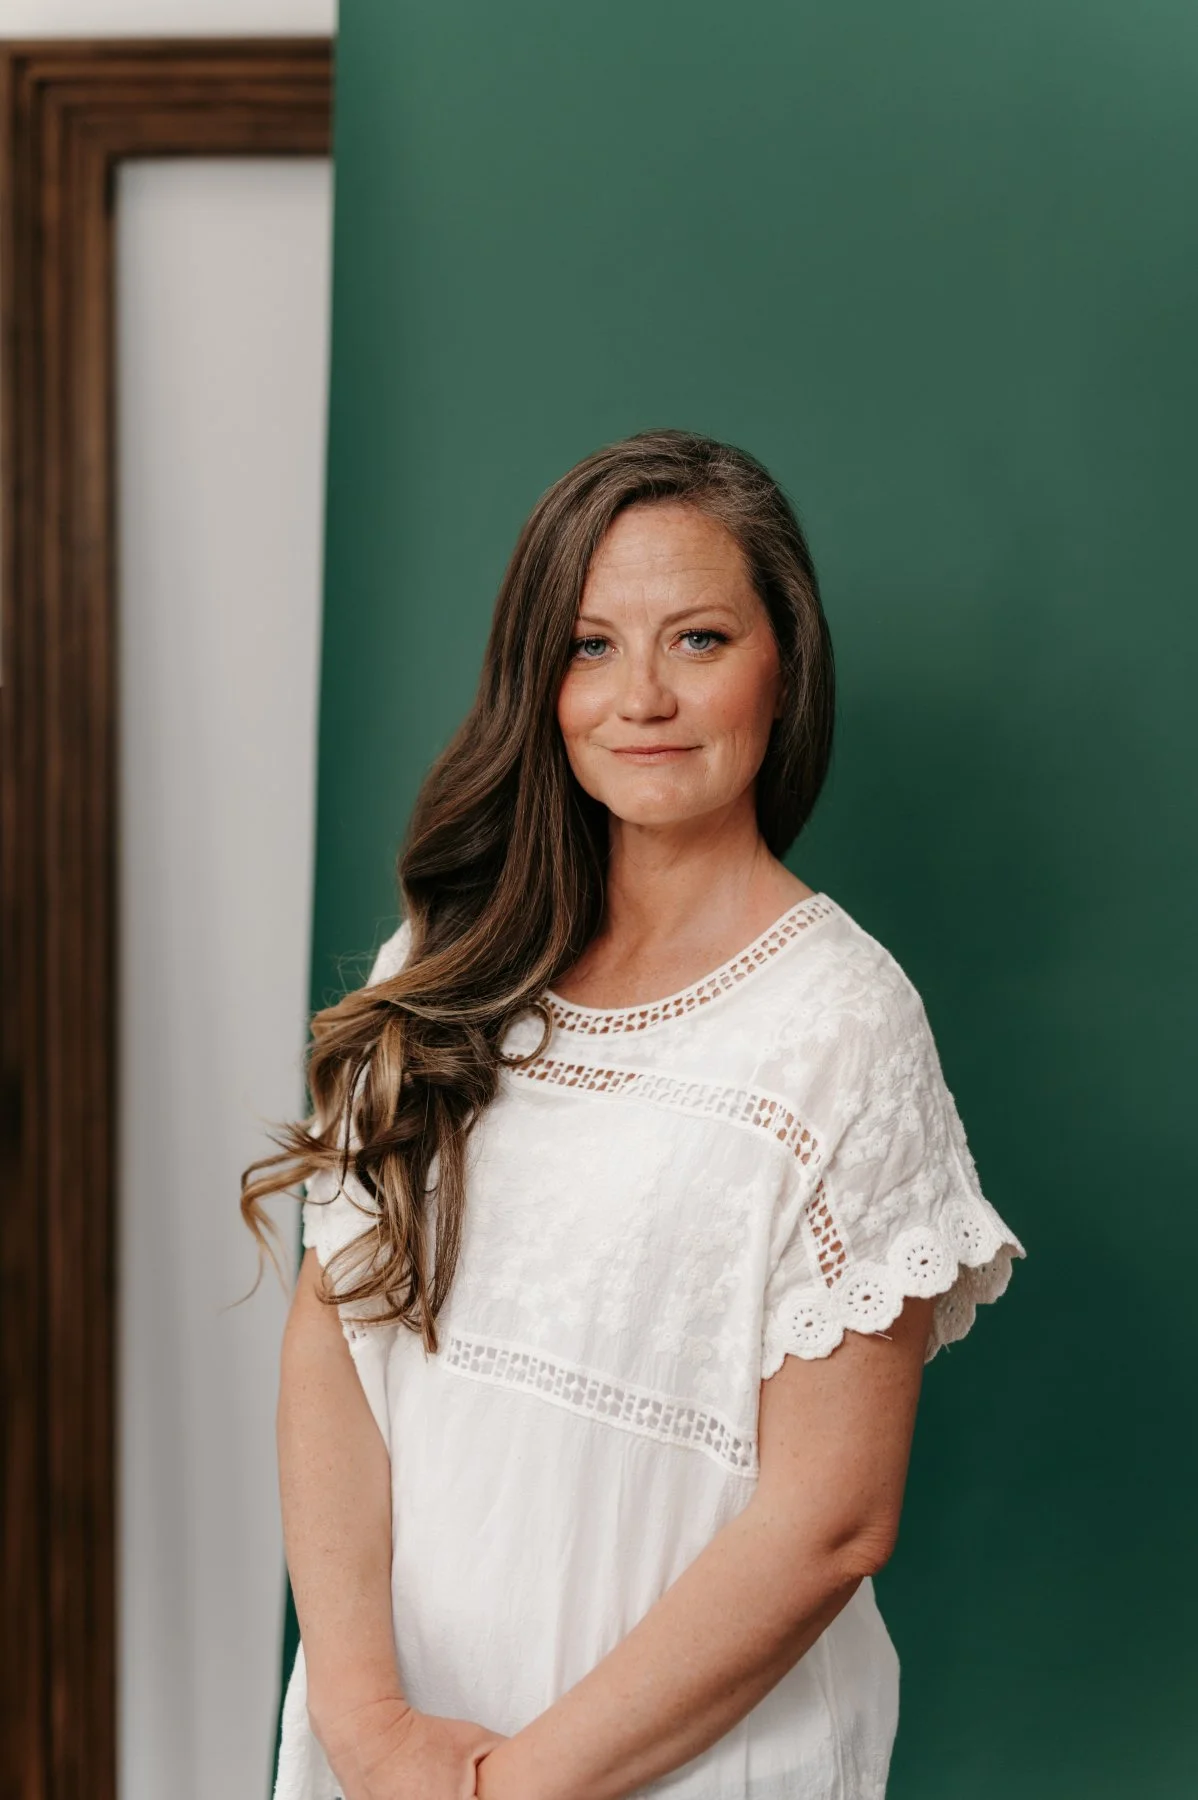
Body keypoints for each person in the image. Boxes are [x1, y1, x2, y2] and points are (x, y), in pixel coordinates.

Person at [244, 427, 1026, 1800]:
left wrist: (513, 1786)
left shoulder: (843, 1026)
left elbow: (830, 1523)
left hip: (676, 1769)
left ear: (783, 666)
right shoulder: (445, 958)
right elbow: (337, 1325)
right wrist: (369, 1727)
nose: (642, 696)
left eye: (700, 640)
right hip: (393, 1750)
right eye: (591, 646)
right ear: (537, 680)